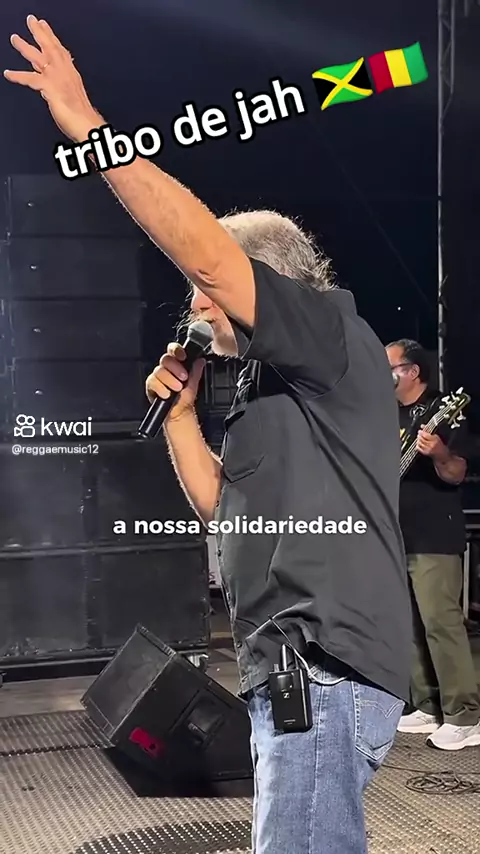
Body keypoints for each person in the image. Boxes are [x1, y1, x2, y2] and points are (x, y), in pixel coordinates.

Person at [5, 17, 412, 852]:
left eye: (204, 293)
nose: (192, 307)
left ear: (268, 283)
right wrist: (184, 415)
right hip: (286, 671)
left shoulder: (330, 334)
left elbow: (207, 258)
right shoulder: (269, 390)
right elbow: (222, 511)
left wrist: (90, 129)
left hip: (325, 667)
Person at [386, 339, 480, 750]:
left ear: (412, 371)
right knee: (407, 623)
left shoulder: (444, 410)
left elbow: (456, 472)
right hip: (395, 534)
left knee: (441, 624)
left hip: (433, 535)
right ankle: (426, 704)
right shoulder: (387, 413)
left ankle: (464, 715)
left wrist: (439, 453)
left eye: (389, 367)